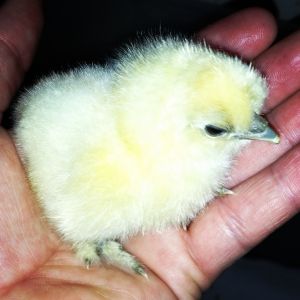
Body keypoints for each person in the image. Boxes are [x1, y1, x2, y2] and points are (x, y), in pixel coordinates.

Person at [0, 0, 299, 298]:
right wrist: (86, 240)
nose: (261, 127)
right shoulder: (125, 171)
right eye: (216, 129)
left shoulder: (135, 117)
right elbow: (71, 214)